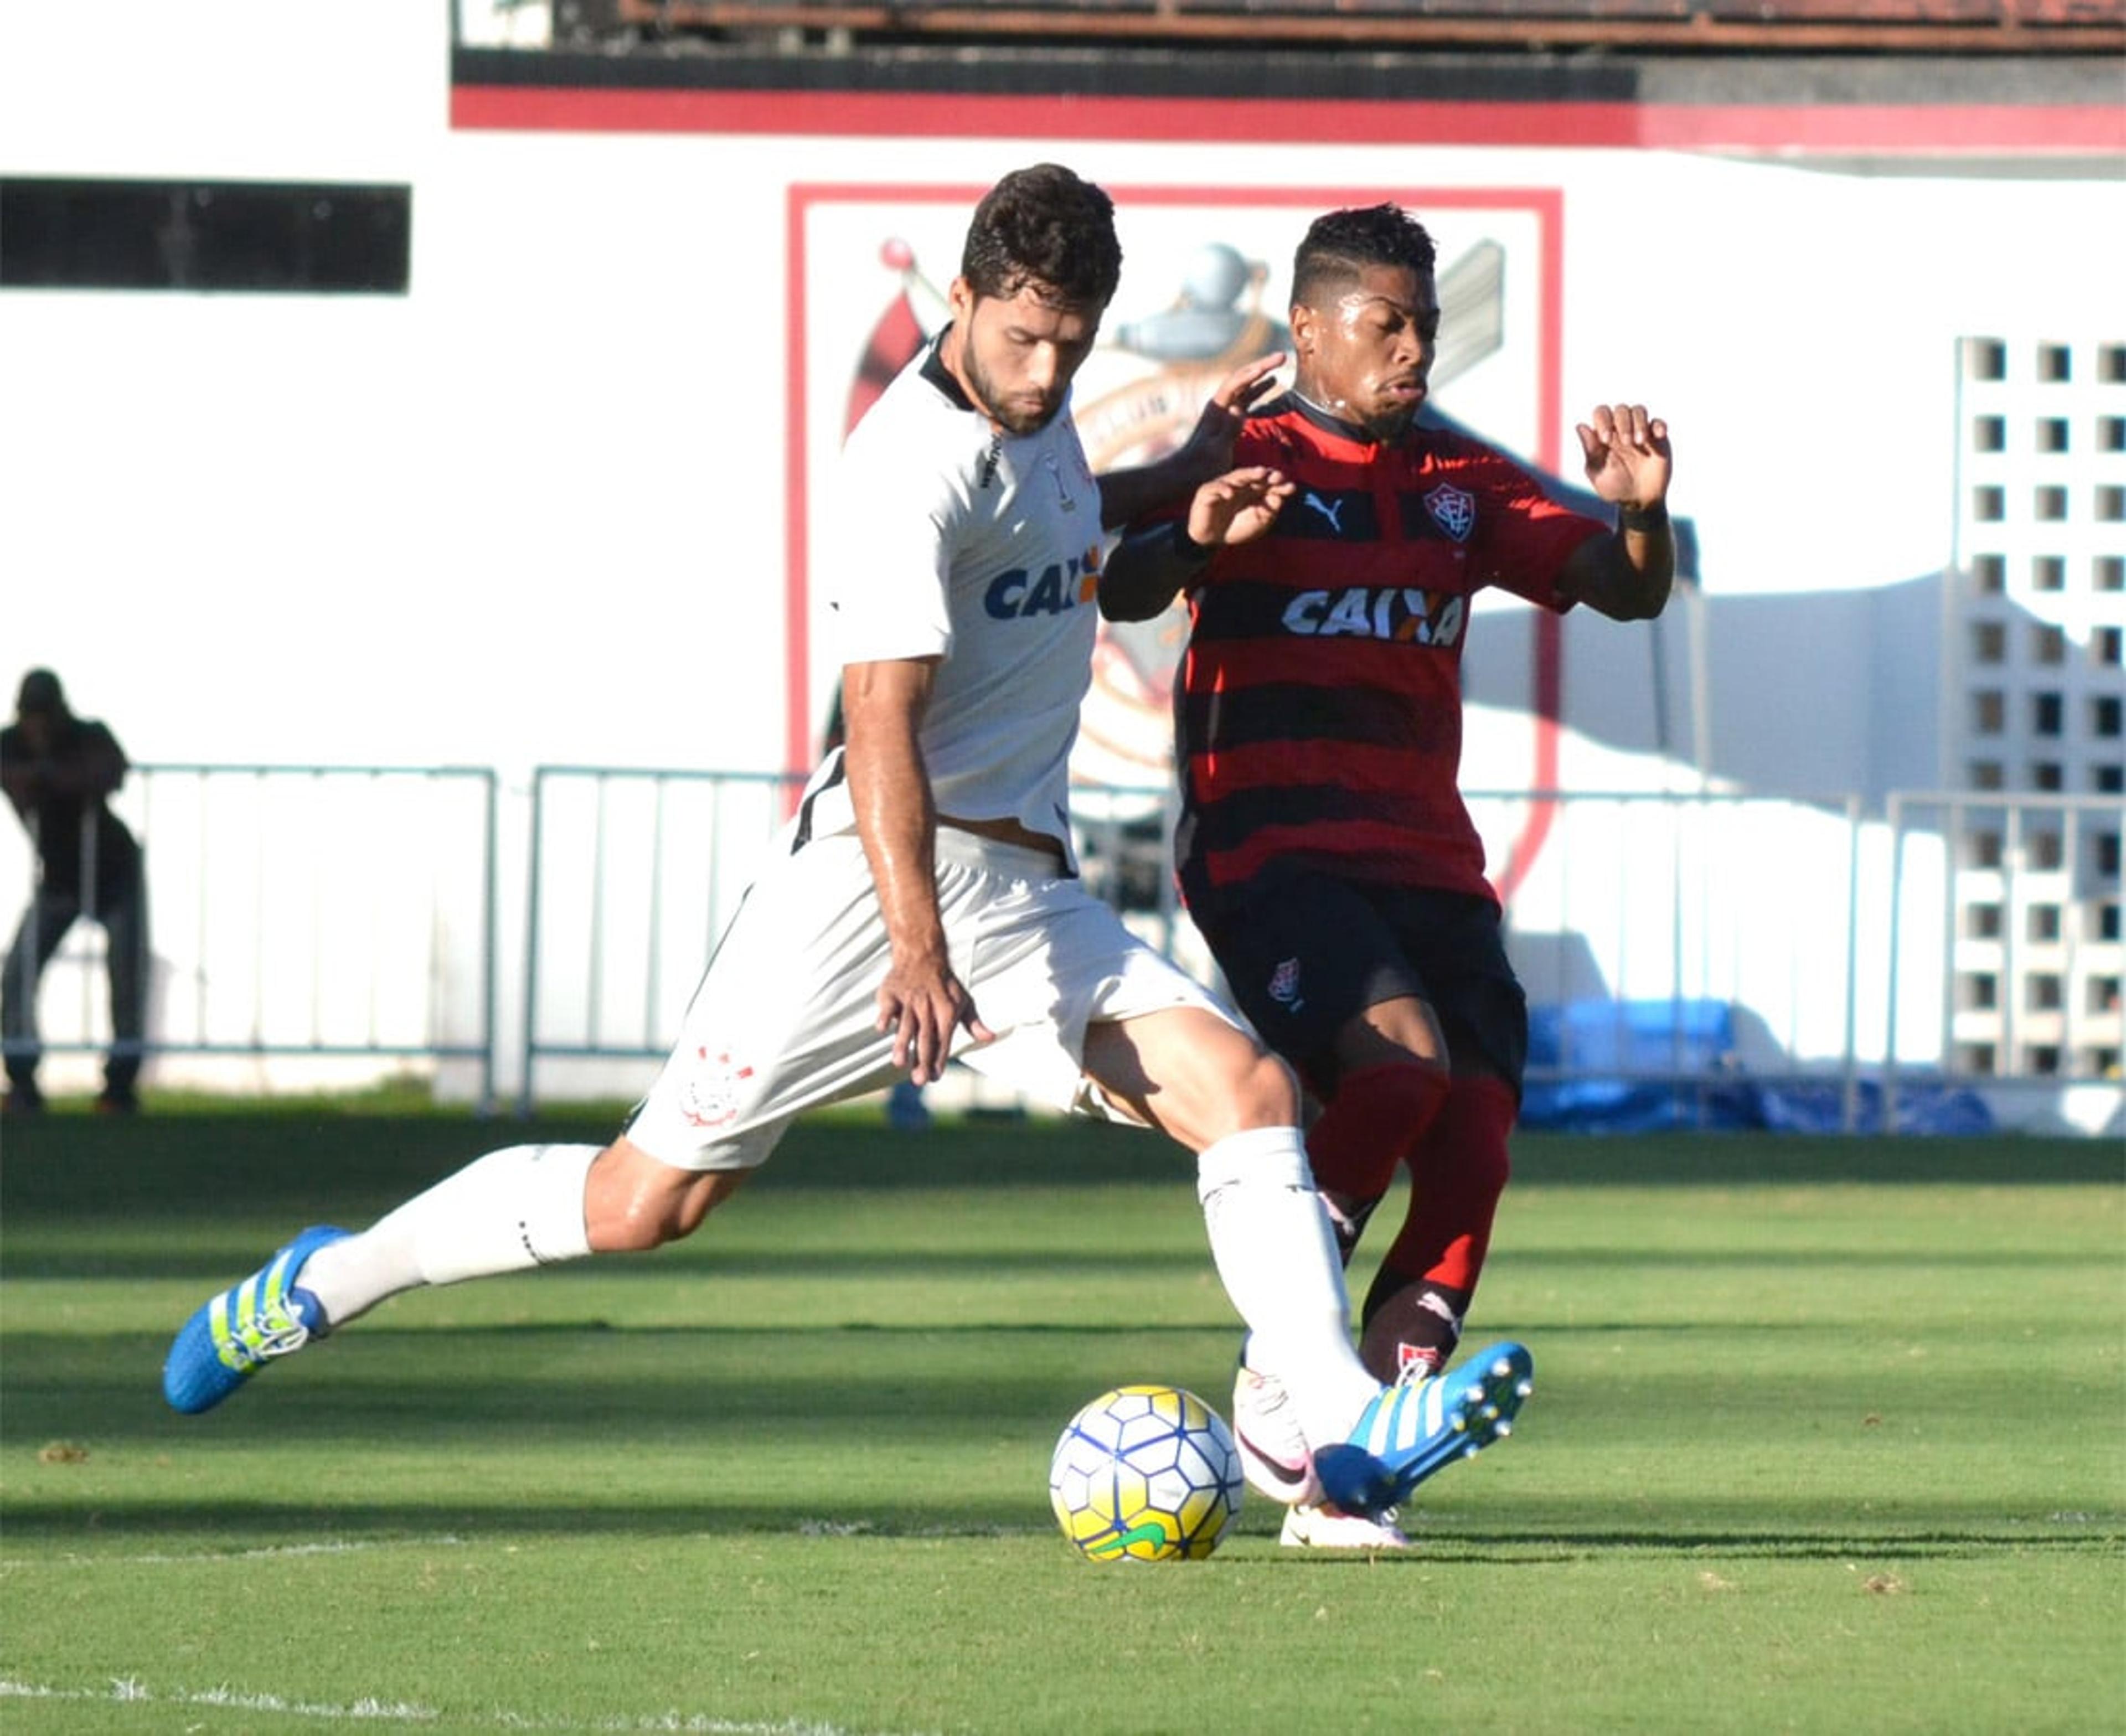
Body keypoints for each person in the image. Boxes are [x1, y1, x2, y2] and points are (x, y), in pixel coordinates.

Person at [162, 166, 1532, 1528]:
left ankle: (1336, 1437)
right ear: (962, 297)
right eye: (1021, 337)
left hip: (1024, 900)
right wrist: (917, 951)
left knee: (1246, 1093)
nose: (1046, 369)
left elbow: (1065, 509)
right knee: (645, 1201)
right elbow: (879, 717)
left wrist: (1180, 489)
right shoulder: (903, 465)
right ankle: (335, 1279)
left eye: (1070, 341)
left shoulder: (1040, 412)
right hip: (865, 901)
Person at [1101, 202, 1675, 1547]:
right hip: (1266, 844)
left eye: (1422, 324)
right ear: (1307, 330)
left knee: (1471, 1138)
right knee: (1399, 1068)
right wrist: (1194, 539)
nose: (1413, 348)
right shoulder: (1245, 449)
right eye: (1385, 324)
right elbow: (1123, 589)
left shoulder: (1457, 481)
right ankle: (1287, 1364)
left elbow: (1620, 584)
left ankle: (1362, 1472)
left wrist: (1640, 521)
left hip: (1427, 858)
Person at [1, 668, 149, 1114]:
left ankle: (118, 1090)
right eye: (32, 717)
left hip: (115, 872)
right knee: (19, 972)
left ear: (62, 713)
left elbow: (111, 769)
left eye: (46, 717)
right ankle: (23, 1084)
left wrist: (51, 777)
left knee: (126, 979)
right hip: (61, 879)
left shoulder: (88, 735)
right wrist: (45, 777)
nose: (39, 727)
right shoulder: (10, 743)